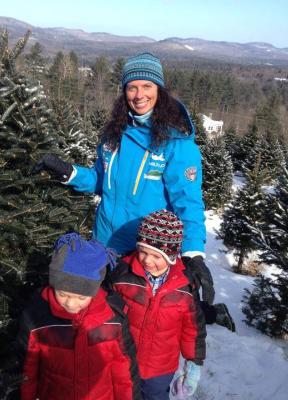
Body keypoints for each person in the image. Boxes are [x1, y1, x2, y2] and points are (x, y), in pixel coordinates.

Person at [34, 52, 235, 332]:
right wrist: (69, 172)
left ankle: (212, 313)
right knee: (107, 316)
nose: (139, 94)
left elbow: (187, 203)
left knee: (150, 320)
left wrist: (193, 253)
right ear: (124, 91)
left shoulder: (176, 142)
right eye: (132, 87)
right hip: (105, 244)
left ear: (160, 90)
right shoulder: (114, 134)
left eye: (147, 86)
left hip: (143, 252)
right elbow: (100, 181)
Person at [18, 232, 142, 400]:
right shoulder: (38, 318)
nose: (70, 303)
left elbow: (124, 368)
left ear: (94, 292)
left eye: (81, 297)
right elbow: (28, 369)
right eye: (62, 294)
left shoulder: (112, 318)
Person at [109, 210, 206, 400]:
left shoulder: (184, 287)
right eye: (143, 252)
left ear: (170, 256)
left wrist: (194, 362)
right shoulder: (123, 277)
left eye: (156, 256)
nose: (146, 260)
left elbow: (192, 328)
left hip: (159, 369)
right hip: (123, 361)